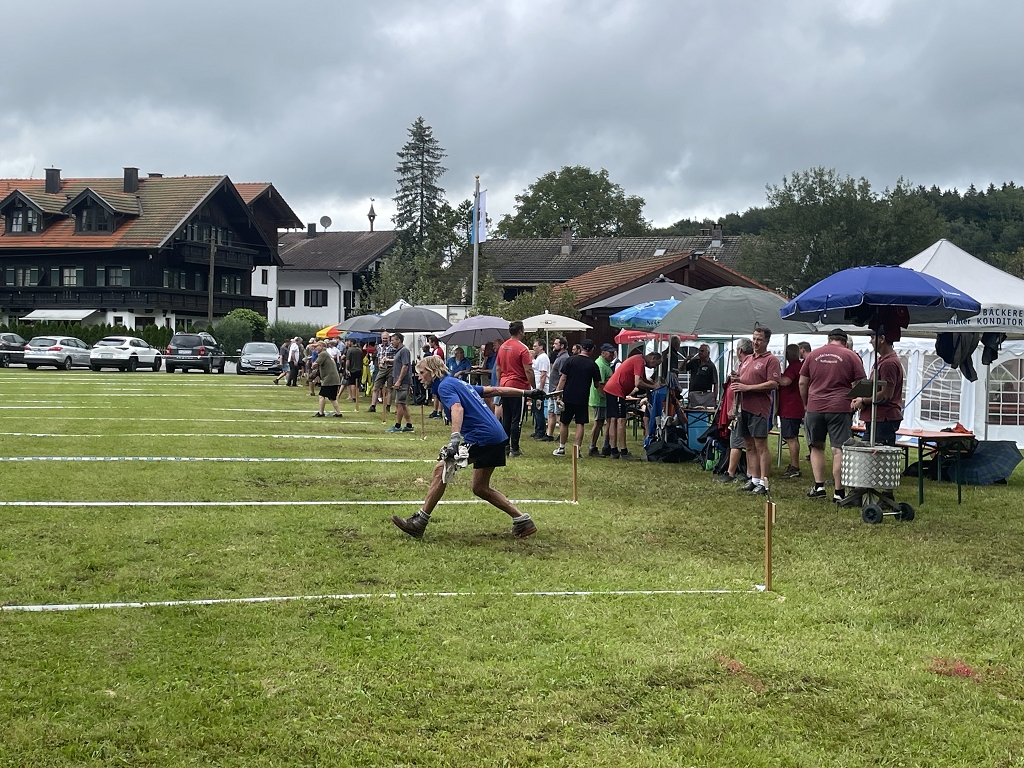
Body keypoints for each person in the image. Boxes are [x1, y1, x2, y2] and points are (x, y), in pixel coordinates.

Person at [390, 356, 544, 540]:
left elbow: (457, 408)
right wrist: (527, 392)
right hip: (496, 436)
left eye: (422, 373)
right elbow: (494, 390)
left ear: (433, 371)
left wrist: (454, 440)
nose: (419, 377)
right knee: (480, 488)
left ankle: (419, 523)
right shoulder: (457, 382)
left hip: (483, 436)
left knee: (441, 469)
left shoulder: (445, 386)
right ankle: (523, 521)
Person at [800, 328, 867, 502]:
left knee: (816, 447)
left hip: (815, 406)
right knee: (839, 449)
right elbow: (861, 383)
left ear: (828, 339)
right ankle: (839, 492)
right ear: (845, 342)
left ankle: (819, 486)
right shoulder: (851, 356)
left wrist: (807, 403)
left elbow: (802, 382)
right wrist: (855, 400)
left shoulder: (813, 355)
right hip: (840, 407)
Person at [730, 326, 781, 496]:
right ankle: (754, 479)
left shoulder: (771, 360)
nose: (755, 342)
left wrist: (748, 387)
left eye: (759, 339)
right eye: (754, 338)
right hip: (744, 407)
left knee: (761, 445)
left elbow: (773, 383)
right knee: (749, 445)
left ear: (766, 341)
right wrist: (737, 380)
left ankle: (764, 483)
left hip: (759, 408)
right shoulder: (747, 359)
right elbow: (743, 380)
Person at [603, 350, 663, 460]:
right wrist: (654, 387)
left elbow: (643, 380)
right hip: (616, 390)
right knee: (621, 420)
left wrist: (654, 384)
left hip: (612, 389)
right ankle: (623, 451)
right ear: (653, 358)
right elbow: (638, 382)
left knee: (613, 420)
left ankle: (612, 450)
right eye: (656, 364)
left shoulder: (639, 359)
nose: (655, 367)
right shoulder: (639, 361)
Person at [852, 327, 904, 446]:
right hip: (878, 417)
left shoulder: (889, 363)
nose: (870, 341)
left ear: (882, 339)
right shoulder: (882, 360)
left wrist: (863, 401)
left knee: (873, 453)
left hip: (883, 418)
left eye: (873, 338)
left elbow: (886, 394)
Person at [552, 339, 603, 457]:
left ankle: (561, 448)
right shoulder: (593, 364)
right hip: (582, 398)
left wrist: (558, 393)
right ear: (592, 349)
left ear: (581, 348)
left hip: (568, 396)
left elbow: (563, 378)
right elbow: (597, 384)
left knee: (564, 422)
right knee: (580, 423)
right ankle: (577, 450)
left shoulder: (570, 360)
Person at [714, 338, 752, 484]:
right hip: (741, 409)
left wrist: (733, 409)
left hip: (740, 410)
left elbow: (741, 389)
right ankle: (750, 473)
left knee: (736, 443)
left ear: (740, 350)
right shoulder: (745, 364)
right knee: (747, 444)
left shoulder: (747, 364)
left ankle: (731, 473)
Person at [495, 321, 535, 457]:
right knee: (516, 419)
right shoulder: (522, 348)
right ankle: (515, 449)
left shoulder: (502, 347)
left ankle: (505, 446)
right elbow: (528, 370)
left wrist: (500, 384)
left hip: (504, 385)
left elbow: (498, 368)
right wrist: (533, 387)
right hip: (518, 386)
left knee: (506, 417)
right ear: (520, 331)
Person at [778, 343, 805, 478]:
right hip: (794, 407)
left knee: (791, 438)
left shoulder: (794, 367)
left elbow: (785, 381)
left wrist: (774, 376)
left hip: (790, 407)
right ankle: (795, 465)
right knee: (792, 436)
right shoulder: (798, 366)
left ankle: (795, 467)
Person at [587, 343, 615, 457]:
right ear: (603, 353)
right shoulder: (601, 365)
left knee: (607, 421)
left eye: (613, 352)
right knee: (599, 423)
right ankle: (592, 447)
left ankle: (606, 445)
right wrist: (607, 398)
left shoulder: (606, 364)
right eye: (610, 353)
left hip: (603, 398)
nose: (612, 355)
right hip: (600, 399)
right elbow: (599, 385)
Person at [387, 332, 415, 433]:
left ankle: (397, 426)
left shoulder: (404, 351)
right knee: (402, 404)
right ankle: (409, 425)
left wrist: (399, 381)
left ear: (399, 340)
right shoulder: (399, 351)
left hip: (402, 381)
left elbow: (405, 366)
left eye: (393, 340)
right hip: (400, 381)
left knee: (399, 403)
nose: (391, 342)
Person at [542, 337, 568, 443]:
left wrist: (558, 391)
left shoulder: (564, 358)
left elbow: (563, 376)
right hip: (552, 390)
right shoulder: (559, 357)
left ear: (562, 345)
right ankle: (549, 434)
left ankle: (562, 435)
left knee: (559, 414)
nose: (553, 345)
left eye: (556, 344)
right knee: (551, 412)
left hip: (557, 391)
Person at [312, 342, 344, 417]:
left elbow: (315, 364)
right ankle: (338, 413)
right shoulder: (326, 354)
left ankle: (321, 413)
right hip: (333, 379)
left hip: (329, 379)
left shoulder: (323, 354)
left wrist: (313, 365)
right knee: (332, 398)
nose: (315, 348)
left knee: (321, 395)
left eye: (317, 346)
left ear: (321, 346)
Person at [684, 344, 718, 408]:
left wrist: (714, 399)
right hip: (693, 395)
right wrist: (686, 360)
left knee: (704, 412)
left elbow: (715, 383)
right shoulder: (694, 362)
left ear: (708, 353)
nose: (700, 353)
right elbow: (681, 369)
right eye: (699, 351)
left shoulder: (711, 366)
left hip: (705, 395)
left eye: (702, 351)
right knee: (691, 411)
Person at [529, 340, 550, 439]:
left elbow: (543, 374)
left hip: (540, 388)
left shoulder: (543, 358)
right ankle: (537, 429)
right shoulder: (539, 358)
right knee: (536, 409)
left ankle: (541, 431)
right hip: (536, 387)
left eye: (535, 346)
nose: (533, 348)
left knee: (539, 409)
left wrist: (540, 389)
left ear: (541, 347)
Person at [370, 332, 394, 414]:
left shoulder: (393, 347)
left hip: (390, 368)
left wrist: (388, 360)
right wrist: (379, 364)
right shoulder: (378, 347)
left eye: (386, 338)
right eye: (383, 338)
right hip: (381, 369)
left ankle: (388, 407)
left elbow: (397, 358)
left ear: (388, 338)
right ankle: (373, 406)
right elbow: (378, 357)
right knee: (375, 387)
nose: (384, 340)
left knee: (389, 389)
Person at [345, 338, 364, 408]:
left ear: (352, 342)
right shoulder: (359, 350)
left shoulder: (350, 350)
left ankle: (353, 397)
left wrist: (346, 369)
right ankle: (356, 396)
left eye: (349, 342)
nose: (348, 343)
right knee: (357, 384)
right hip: (359, 368)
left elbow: (348, 360)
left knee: (352, 383)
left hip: (352, 369)